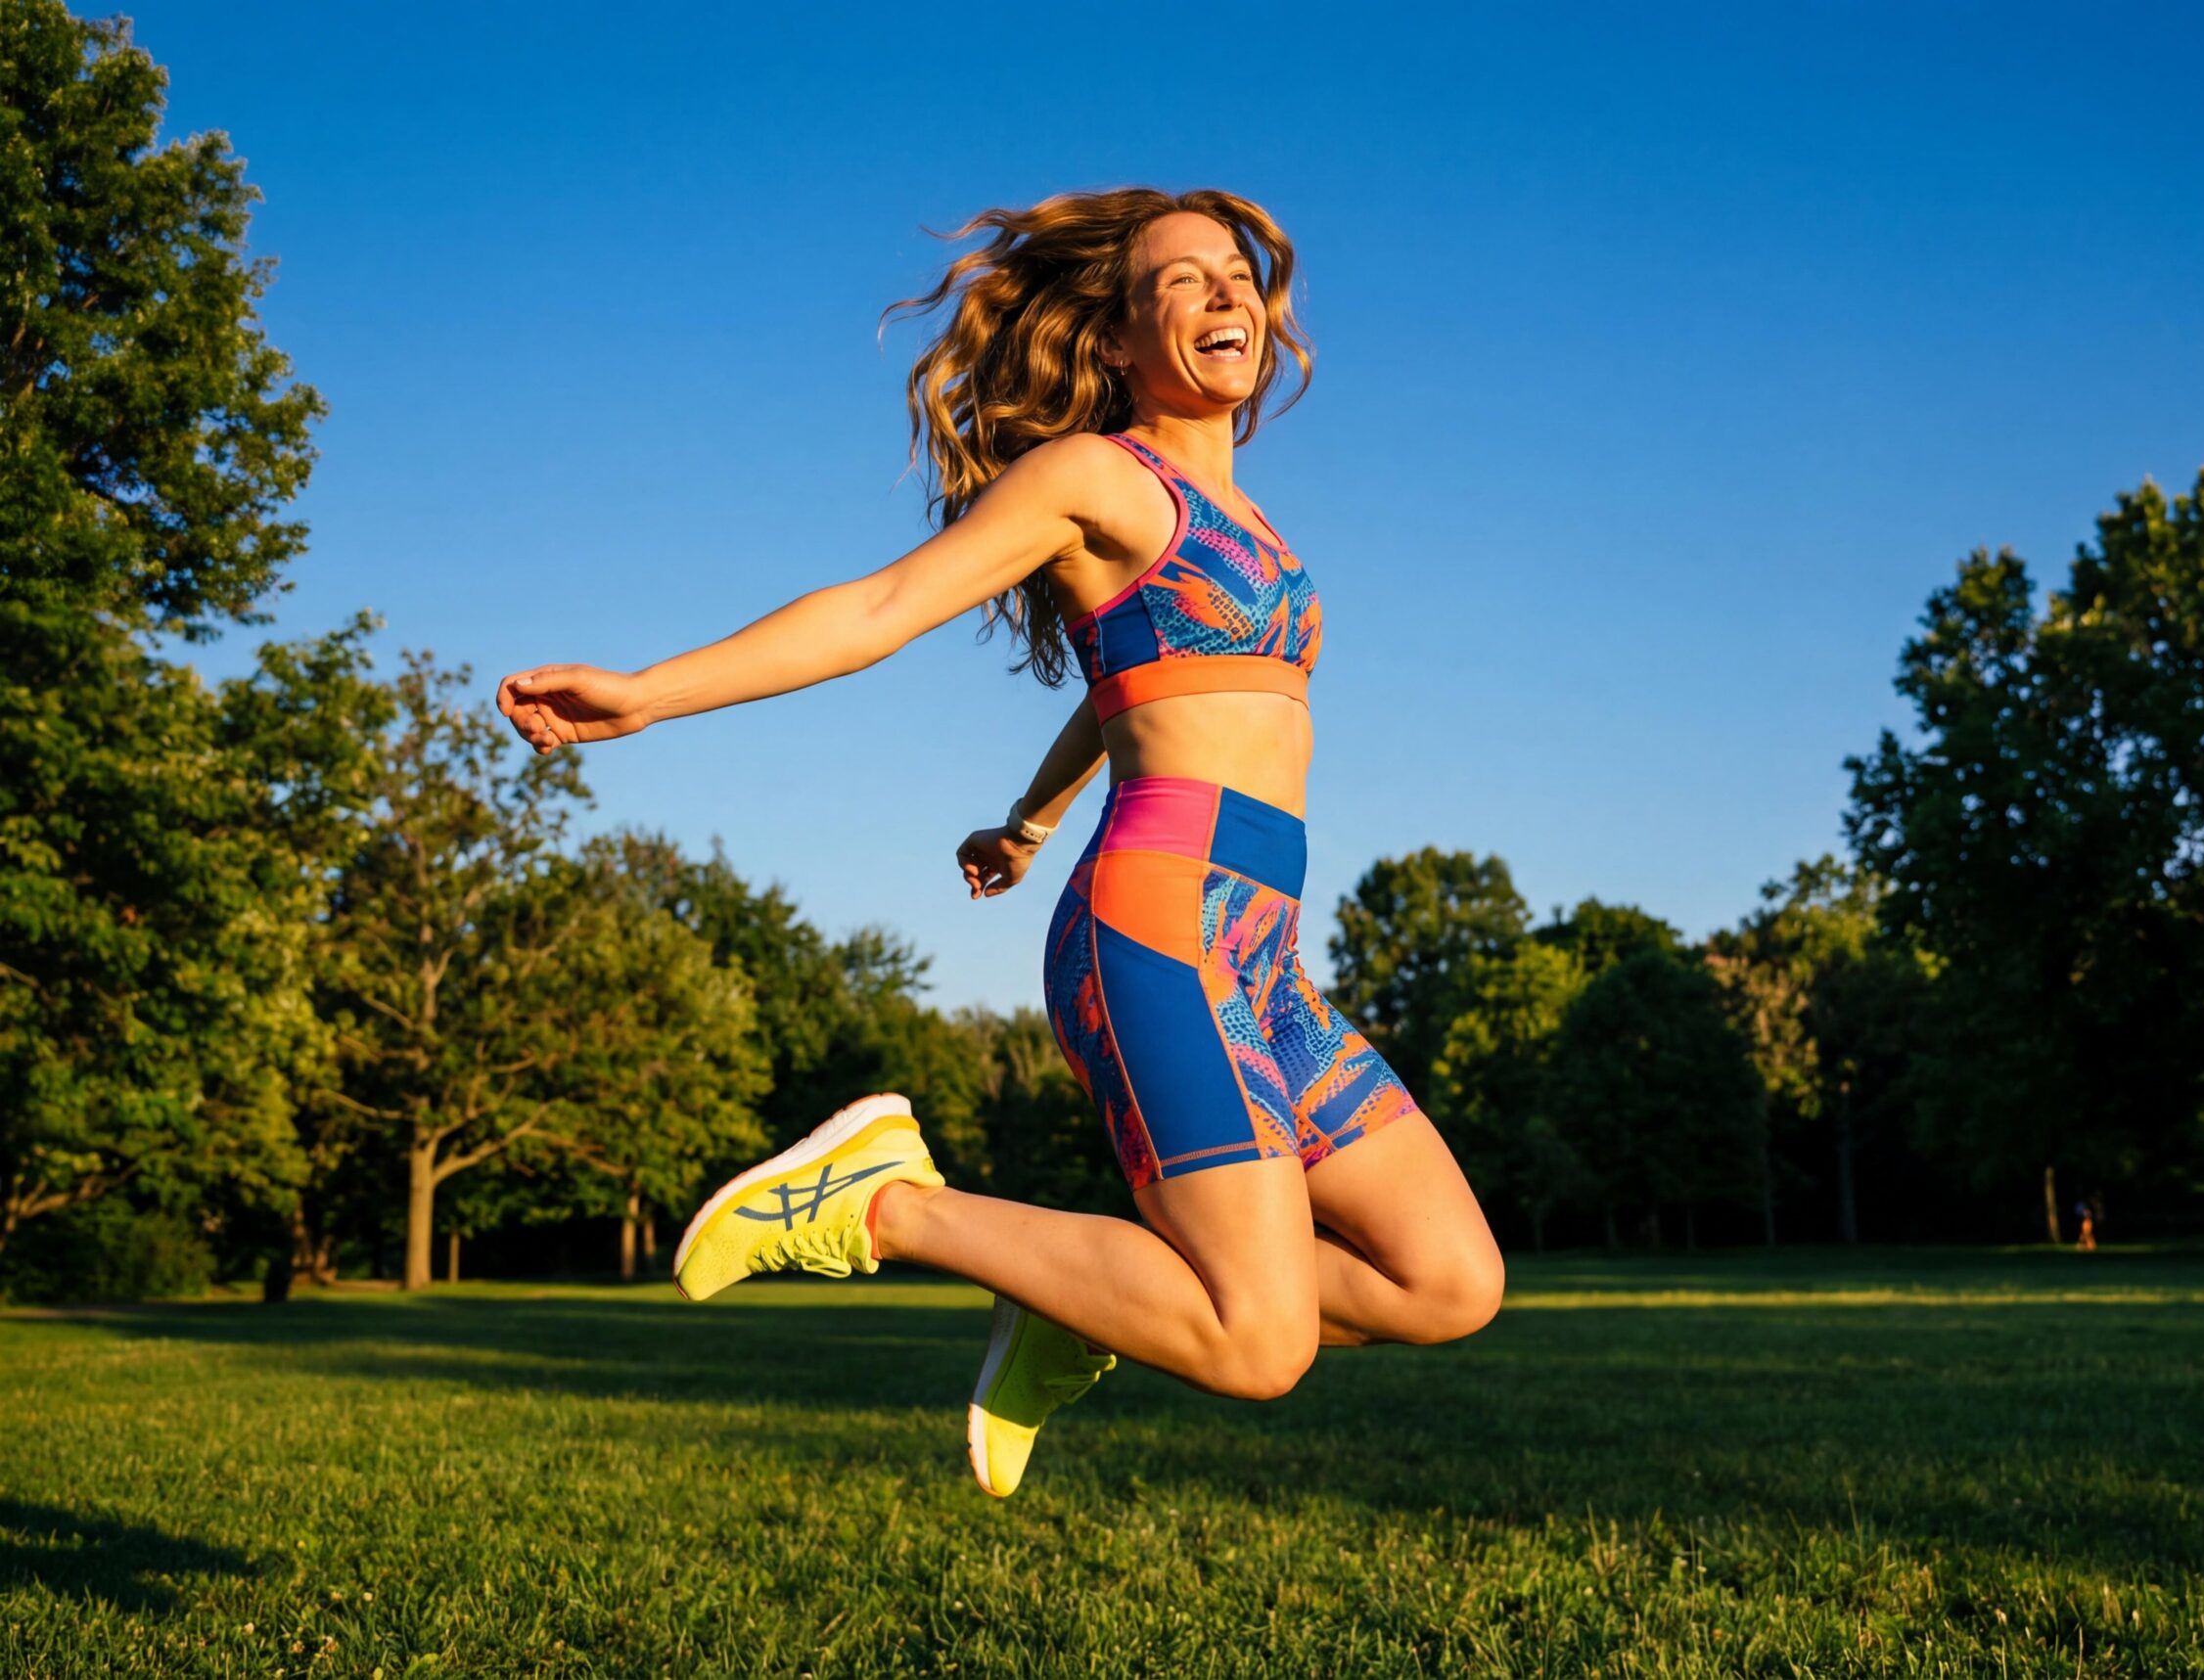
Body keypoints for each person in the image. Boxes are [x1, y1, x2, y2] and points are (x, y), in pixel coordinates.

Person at [496, 188, 1505, 1498]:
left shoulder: (1256, 533)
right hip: (1156, 928)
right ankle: (881, 1200)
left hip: (1263, 951)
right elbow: (884, 604)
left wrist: (1029, 816)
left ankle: (1080, 1295)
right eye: (1182, 281)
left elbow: (1139, 686)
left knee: (1448, 1280)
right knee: (1260, 1343)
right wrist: (648, 691)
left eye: (1237, 277)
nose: (1226, 297)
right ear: (1119, 341)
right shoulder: (1097, 477)